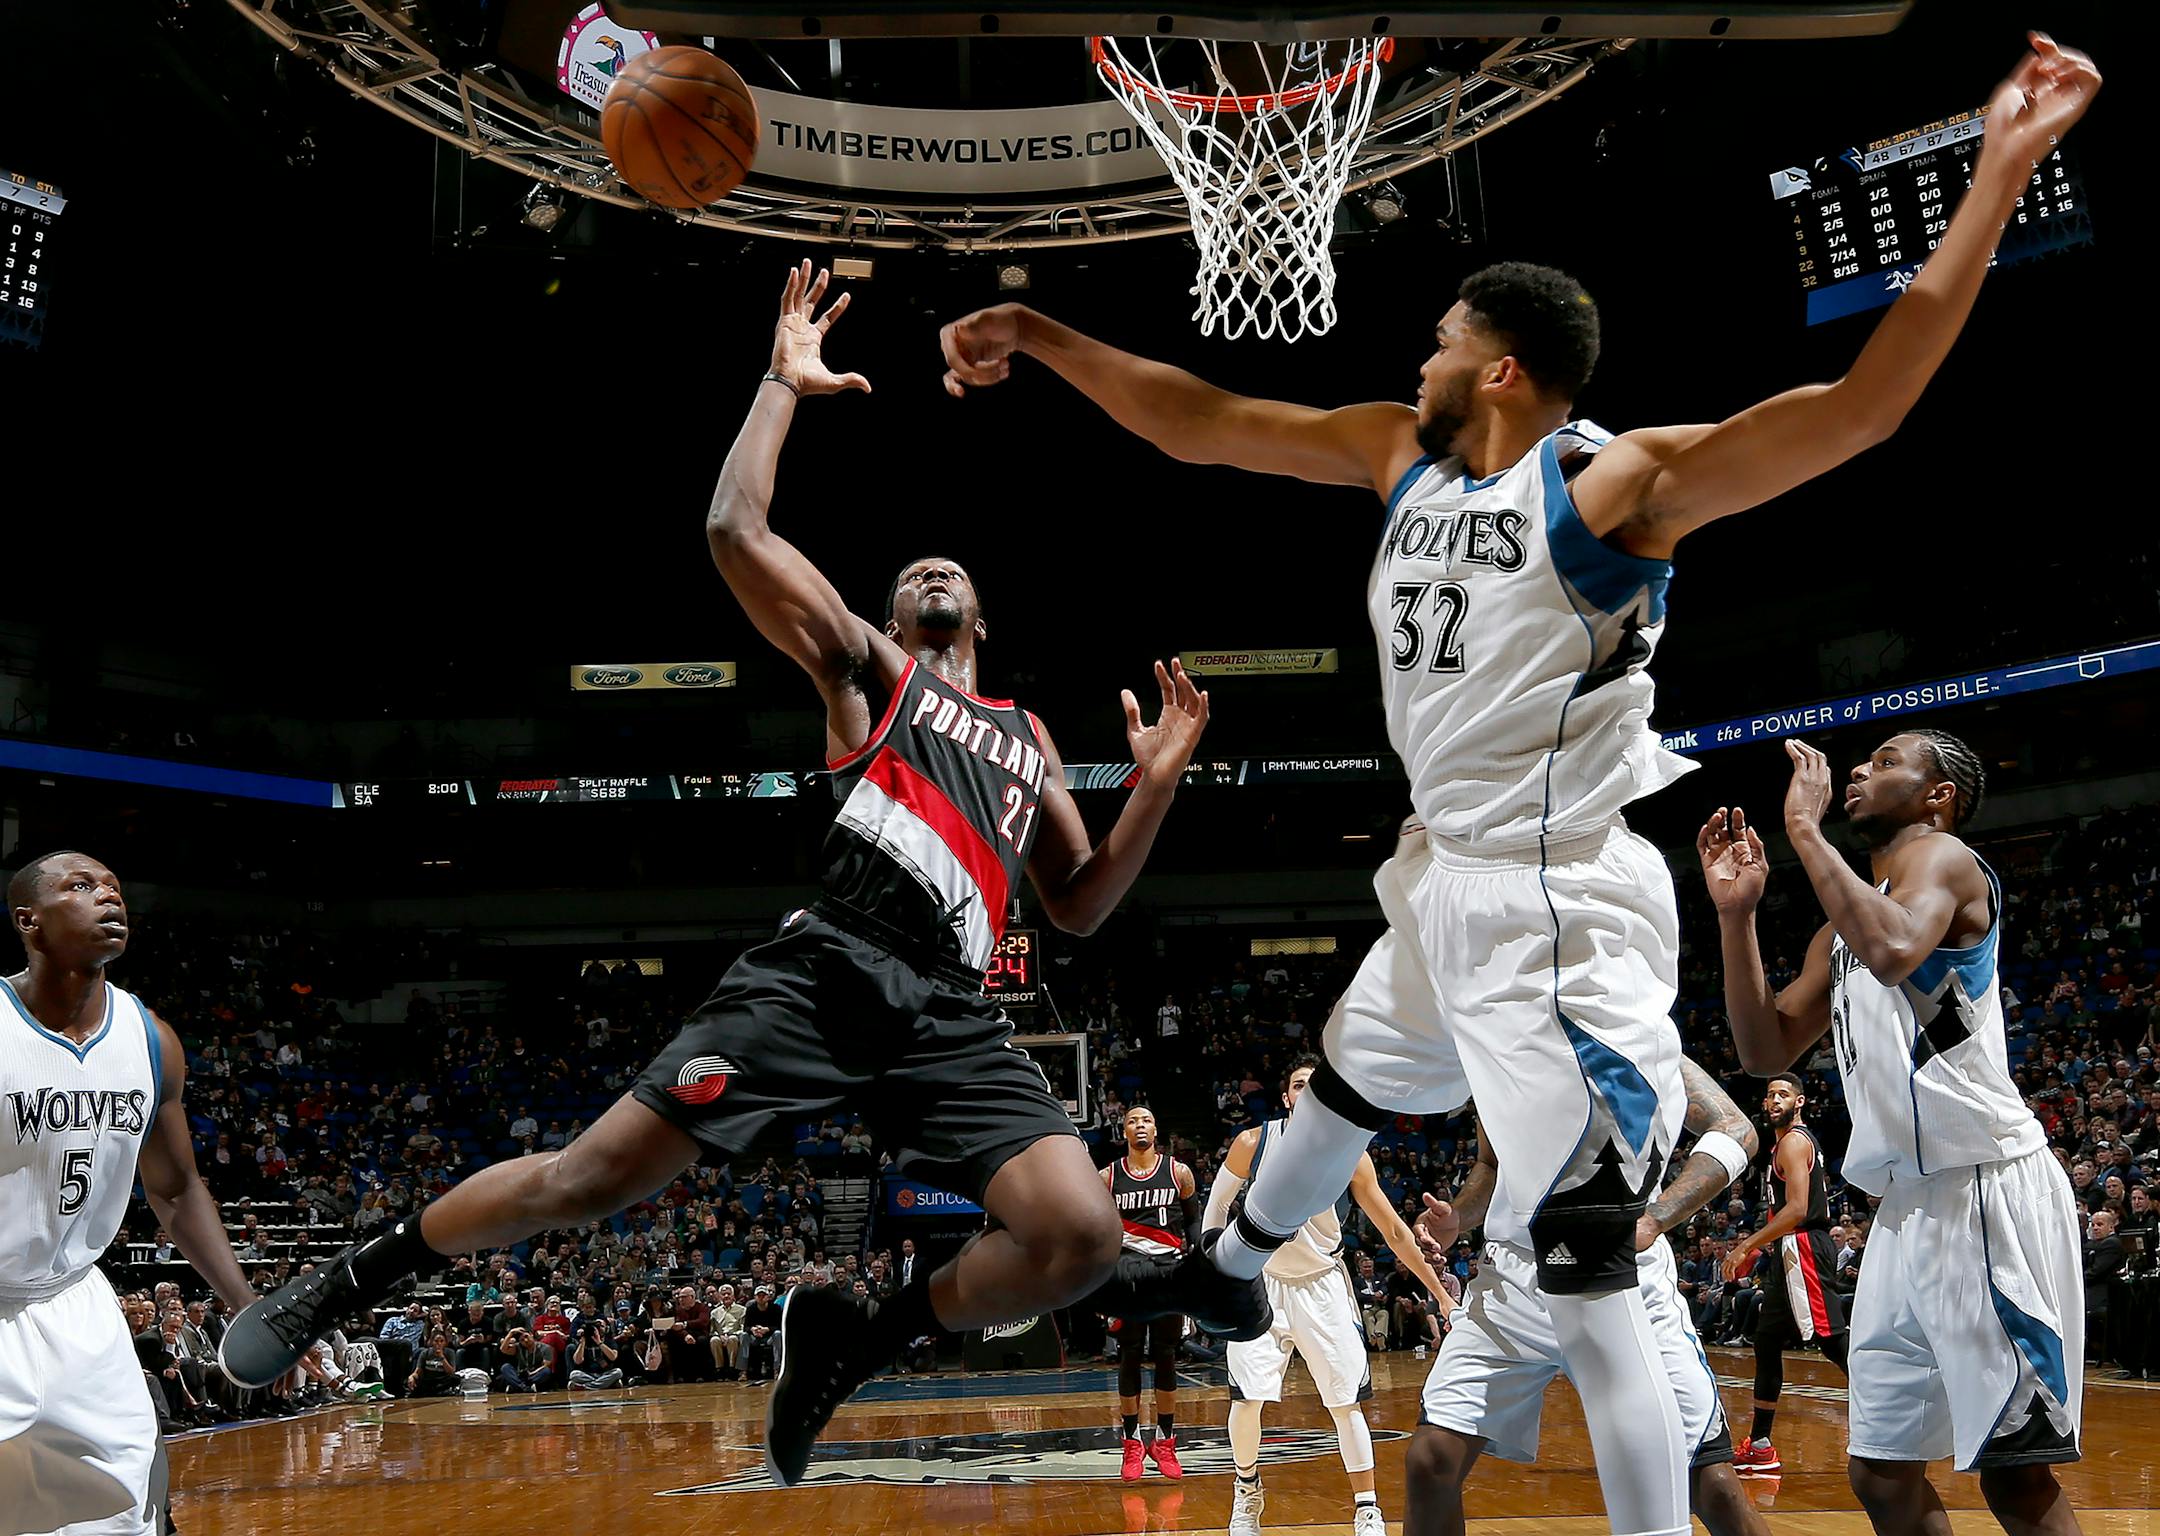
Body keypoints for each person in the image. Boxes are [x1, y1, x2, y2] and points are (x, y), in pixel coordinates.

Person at [937, 34, 2100, 1536]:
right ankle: (1235, 1264)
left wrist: (1999, 168)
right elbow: (1198, 417)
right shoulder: (1394, 459)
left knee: (1590, 1266)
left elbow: (1863, 404)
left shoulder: (1617, 485)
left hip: (1558, 896)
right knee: (1354, 1072)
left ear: (1498, 366)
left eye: (1434, 340)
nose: (1410, 359)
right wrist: (1040, 333)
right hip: (1443, 878)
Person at [218, 260, 1259, 1487]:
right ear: (889, 616)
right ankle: (351, 1278)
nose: (930, 572)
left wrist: (1157, 783)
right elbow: (734, 534)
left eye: (951, 572)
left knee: (1079, 1236)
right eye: (909, 572)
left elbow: (1079, 905)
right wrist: (780, 385)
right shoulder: (873, 672)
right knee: (584, 1180)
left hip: (951, 1010)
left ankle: (854, 1339)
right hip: (826, 968)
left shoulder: (1028, 739)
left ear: (986, 615)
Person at [1704, 728, 2090, 1536]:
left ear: (1937, 795)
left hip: (1984, 1189)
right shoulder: (1840, 929)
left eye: (1886, 763)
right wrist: (1736, 917)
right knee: (1880, 1474)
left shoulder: (1945, 860)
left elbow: (1893, 950)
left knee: (2016, 1475)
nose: (1857, 770)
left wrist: (1804, 831)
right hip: (1903, 1210)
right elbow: (1762, 1048)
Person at [0, 852, 282, 1536]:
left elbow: (179, 1190)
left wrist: (248, 1306)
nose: (109, 899)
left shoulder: (150, 1040)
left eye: (115, 889)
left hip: (74, 1304)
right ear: (28, 922)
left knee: (125, 1512)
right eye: (82, 886)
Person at [1410, 1058, 1770, 1536]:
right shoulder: (1497, 1039)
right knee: (1429, 1461)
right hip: (1516, 1280)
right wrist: (1458, 1216)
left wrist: (1658, 1216)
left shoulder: (1644, 1034)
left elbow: (1737, 1129)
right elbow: (1492, 1164)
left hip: (1622, 1273)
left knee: (1713, 1485)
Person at [1204, 1056, 1454, 1536]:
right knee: (1246, 1401)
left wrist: (1441, 1295)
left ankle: (1366, 1509)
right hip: (1262, 1285)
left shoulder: (1350, 1153)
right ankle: (1246, 1494)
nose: (1306, 1092)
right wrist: (1215, 1272)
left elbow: (1396, 1234)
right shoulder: (1252, 1143)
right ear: (1286, 1097)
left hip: (1322, 1286)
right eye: (1298, 1085)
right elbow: (1215, 1208)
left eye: (1314, 1086)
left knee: (1346, 1405)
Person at [1721, 1072, 1850, 1473]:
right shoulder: (1781, 1146)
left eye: (1783, 1094)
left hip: (1805, 1246)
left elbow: (1796, 1209)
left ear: (1799, 1102)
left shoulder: (1794, 1142)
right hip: (1789, 1249)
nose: (1774, 1099)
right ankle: (1760, 1444)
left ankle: (1889, 1417)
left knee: (1830, 1341)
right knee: (1766, 1341)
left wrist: (1747, 1243)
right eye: (1769, 1094)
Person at [1103, 1106, 1197, 1481]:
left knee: (1166, 1356)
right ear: (1123, 1130)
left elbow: (1192, 1221)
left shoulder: (1178, 1172)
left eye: (1146, 1120)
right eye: (1132, 1121)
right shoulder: (1107, 1177)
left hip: (1168, 1272)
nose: (1139, 1125)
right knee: (1128, 1355)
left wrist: (1197, 1263)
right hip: (1126, 1276)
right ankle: (1131, 1443)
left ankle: (1165, 1440)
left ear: (1156, 1129)